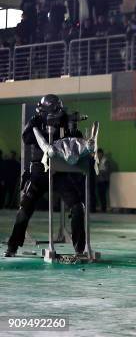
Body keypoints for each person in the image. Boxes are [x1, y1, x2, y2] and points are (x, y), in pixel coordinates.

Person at [3, 95, 86, 257]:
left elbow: (77, 140)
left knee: (78, 207)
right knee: (24, 209)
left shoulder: (65, 121)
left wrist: (72, 127)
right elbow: (26, 138)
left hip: (60, 172)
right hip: (39, 171)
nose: (58, 113)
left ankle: (79, 249)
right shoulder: (36, 121)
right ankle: (12, 246)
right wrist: (39, 127)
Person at [95, 148, 110, 213]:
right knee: (100, 195)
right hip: (99, 180)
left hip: (104, 180)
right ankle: (102, 207)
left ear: (101, 153)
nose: (98, 155)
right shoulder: (98, 161)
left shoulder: (105, 161)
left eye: (98, 154)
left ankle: (104, 208)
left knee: (102, 195)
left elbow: (106, 171)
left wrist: (100, 172)